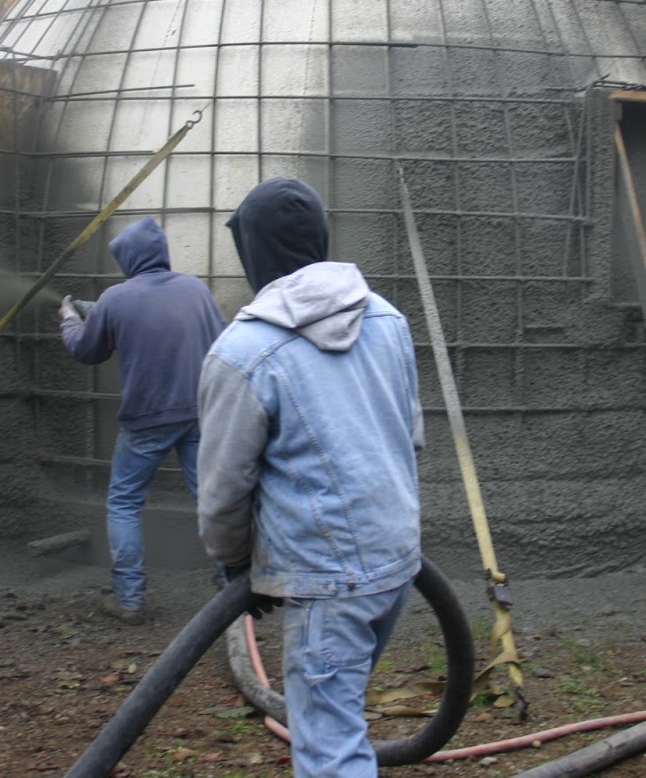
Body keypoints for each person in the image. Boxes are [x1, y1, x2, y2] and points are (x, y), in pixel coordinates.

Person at [197, 178, 424, 776]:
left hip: (327, 582)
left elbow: (223, 493)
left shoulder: (242, 352)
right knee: (336, 714)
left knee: (328, 749)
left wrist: (235, 565)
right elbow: (411, 437)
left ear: (252, 252)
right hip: (398, 562)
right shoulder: (389, 319)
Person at [58, 215, 226, 624]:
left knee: (124, 502)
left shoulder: (117, 298)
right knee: (212, 499)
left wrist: (68, 318)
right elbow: (221, 340)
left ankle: (130, 601)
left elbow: (86, 350)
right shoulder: (195, 289)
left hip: (146, 420)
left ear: (128, 259)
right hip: (198, 414)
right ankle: (233, 588)